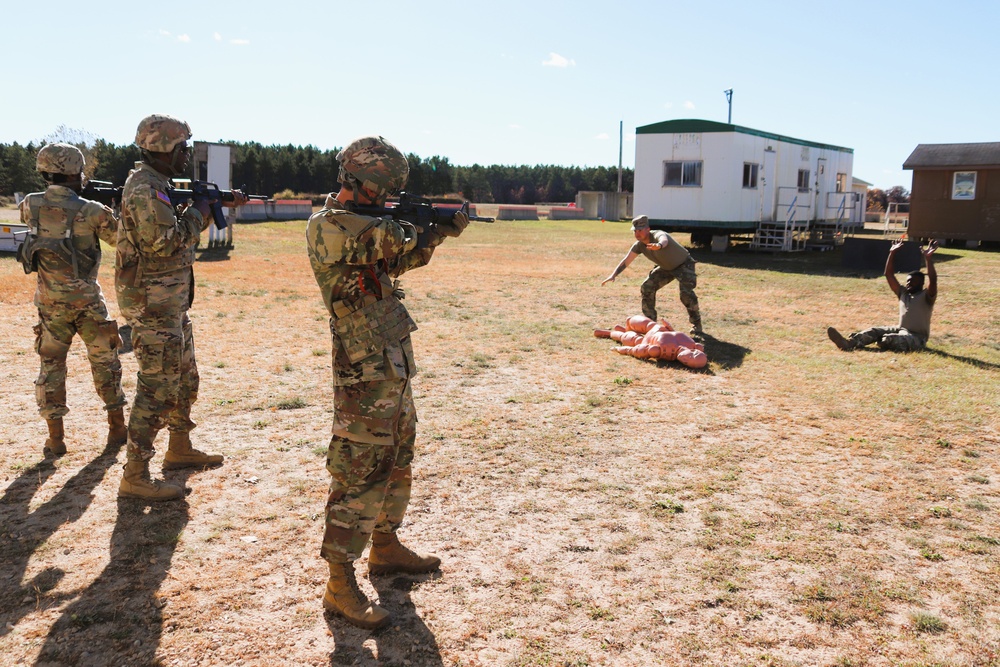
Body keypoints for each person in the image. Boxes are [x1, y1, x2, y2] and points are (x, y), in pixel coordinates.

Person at [306, 135, 469, 630]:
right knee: (360, 467)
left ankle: (385, 545)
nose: (384, 198)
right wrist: (421, 225)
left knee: (398, 454)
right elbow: (389, 241)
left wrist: (436, 234)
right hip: (361, 367)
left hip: (391, 358)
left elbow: (400, 258)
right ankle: (339, 580)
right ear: (355, 181)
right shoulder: (327, 225)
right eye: (380, 190)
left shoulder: (374, 223)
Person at [115, 114, 247, 501]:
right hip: (152, 305)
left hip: (169, 302)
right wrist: (200, 212)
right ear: (165, 148)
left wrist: (209, 203)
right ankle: (135, 474)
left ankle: (179, 448)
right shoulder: (144, 188)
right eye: (183, 148)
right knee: (157, 389)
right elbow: (163, 242)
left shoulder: (159, 184)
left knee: (185, 379)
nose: (187, 155)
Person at [17, 143, 127, 457]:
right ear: (76, 172)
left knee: (51, 367)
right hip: (89, 303)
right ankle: (117, 427)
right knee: (106, 364)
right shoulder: (92, 210)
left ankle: (55, 439)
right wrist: (110, 209)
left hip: (49, 303)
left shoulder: (29, 204)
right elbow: (120, 240)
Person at [827, 239, 938, 352]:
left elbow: (933, 280)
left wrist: (928, 259)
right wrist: (892, 253)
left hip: (917, 337)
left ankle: (886, 342)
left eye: (913, 281)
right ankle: (849, 343)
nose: (909, 283)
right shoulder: (903, 293)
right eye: (908, 281)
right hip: (900, 329)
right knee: (875, 331)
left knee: (888, 339)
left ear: (921, 283)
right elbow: (888, 274)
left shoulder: (927, 296)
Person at [601, 215, 702, 335]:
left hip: (684, 265)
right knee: (647, 287)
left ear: (648, 229)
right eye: (635, 231)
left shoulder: (658, 234)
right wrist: (613, 275)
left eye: (640, 230)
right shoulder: (639, 245)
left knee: (686, 294)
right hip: (666, 268)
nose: (637, 234)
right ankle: (650, 324)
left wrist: (658, 246)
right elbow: (627, 260)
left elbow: (664, 240)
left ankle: (696, 323)